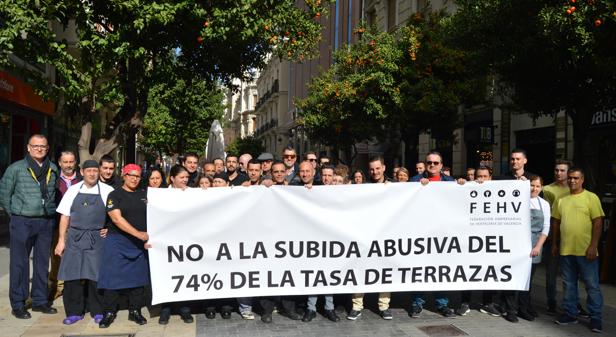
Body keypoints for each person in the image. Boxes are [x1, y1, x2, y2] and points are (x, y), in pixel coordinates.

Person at [0, 134, 59, 319]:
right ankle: (18, 303)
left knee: (42, 263)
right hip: (22, 221)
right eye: (35, 146)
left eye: (43, 146)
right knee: (20, 263)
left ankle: (40, 301)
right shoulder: (15, 168)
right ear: (28, 148)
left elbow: (53, 193)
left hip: (45, 221)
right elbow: (4, 195)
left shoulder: (53, 168)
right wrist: (16, 214)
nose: (39, 149)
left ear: (47, 148)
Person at [54, 159, 113, 325]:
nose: (92, 174)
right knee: (72, 275)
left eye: (95, 170)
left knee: (96, 276)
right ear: (82, 172)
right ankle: (74, 312)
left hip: (97, 239)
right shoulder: (73, 190)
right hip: (75, 238)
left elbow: (115, 215)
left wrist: (109, 228)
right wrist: (61, 240)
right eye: (89, 171)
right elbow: (64, 216)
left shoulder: (108, 191)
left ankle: (97, 310)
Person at [552, 167, 604, 333]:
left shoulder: (591, 198)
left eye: (576, 178)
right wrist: (554, 244)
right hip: (566, 250)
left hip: (586, 251)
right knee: (568, 285)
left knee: (592, 285)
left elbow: (598, 222)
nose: (572, 181)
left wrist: (593, 245)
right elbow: (556, 223)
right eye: (570, 178)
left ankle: (596, 318)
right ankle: (570, 313)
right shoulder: (561, 200)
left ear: (582, 180)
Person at [98, 164, 150, 328]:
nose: (134, 178)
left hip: (138, 244)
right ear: (124, 176)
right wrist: (139, 234)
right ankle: (109, 312)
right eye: (131, 175)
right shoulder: (114, 195)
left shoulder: (144, 195)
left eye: (137, 176)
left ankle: (135, 311)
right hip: (118, 241)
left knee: (137, 280)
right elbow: (116, 219)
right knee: (112, 279)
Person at [409, 152, 456, 318]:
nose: (432, 165)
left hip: (442, 234)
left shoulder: (450, 182)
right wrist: (416, 188)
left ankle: (442, 304)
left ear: (441, 165)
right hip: (420, 233)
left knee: (439, 270)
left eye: (436, 163)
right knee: (419, 270)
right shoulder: (415, 181)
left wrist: (464, 185)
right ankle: (417, 304)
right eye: (429, 162)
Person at [349, 156, 392, 321]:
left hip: (385, 237)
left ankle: (384, 306)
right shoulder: (363, 187)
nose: (375, 172)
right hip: (365, 237)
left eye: (377, 168)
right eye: (372, 169)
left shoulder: (394, 186)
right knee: (360, 270)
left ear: (384, 168)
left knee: (385, 271)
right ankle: (356, 306)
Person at [303, 166, 340, 323]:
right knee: (314, 275)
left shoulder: (341, 192)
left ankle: (329, 308)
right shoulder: (313, 189)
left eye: (329, 175)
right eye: (324, 175)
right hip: (315, 240)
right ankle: (311, 308)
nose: (326, 178)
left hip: (332, 240)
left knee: (329, 276)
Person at [158, 165, 194, 325]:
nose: (185, 180)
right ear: (172, 178)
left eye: (187, 177)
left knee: (185, 274)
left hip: (186, 241)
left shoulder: (193, 193)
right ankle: (165, 310)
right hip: (166, 242)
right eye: (182, 177)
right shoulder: (161, 194)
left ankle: (185, 310)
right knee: (167, 275)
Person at [516, 175, 550, 321]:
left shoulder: (544, 204)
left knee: (530, 279)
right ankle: (522, 308)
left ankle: (526, 306)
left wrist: (538, 246)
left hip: (536, 244)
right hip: (519, 244)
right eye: (532, 185)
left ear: (541, 188)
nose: (534, 189)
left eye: (537, 186)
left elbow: (546, 227)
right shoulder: (519, 200)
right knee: (522, 278)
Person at [50, 150, 82, 301]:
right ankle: (56, 286)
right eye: (65, 162)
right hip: (58, 224)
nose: (68, 165)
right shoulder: (53, 180)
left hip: (79, 225)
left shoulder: (83, 180)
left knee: (78, 257)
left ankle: (76, 286)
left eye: (71, 162)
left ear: (75, 162)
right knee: (57, 256)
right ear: (60, 163)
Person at [542, 160, 571, 315]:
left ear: (568, 172)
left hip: (570, 237)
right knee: (551, 273)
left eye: (562, 170)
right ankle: (551, 302)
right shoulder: (547, 189)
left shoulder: (574, 188)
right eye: (556, 170)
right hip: (553, 237)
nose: (559, 173)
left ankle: (571, 303)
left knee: (569, 274)